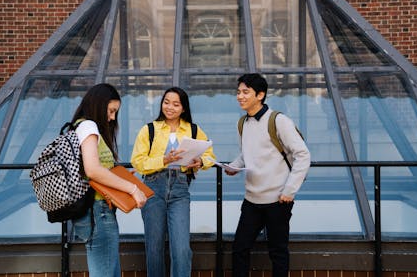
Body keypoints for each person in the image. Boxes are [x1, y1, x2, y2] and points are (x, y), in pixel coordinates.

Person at [225, 73, 310, 277]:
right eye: (238, 92)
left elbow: (303, 155)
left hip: (278, 200)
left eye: (246, 92)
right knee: (240, 249)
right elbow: (247, 154)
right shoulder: (242, 123)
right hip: (251, 200)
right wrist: (233, 166)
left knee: (278, 253)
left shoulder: (278, 121)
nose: (240, 96)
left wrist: (289, 191)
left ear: (260, 95)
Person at [131, 86, 216, 277]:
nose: (169, 107)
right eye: (166, 102)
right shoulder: (149, 129)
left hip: (180, 189)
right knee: (154, 249)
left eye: (176, 104)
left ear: (183, 108)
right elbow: (138, 162)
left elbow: (210, 156)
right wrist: (164, 160)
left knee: (182, 249)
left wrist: (200, 161)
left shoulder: (192, 129)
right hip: (153, 188)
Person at [71, 83, 147, 277]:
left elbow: (94, 170)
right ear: (98, 104)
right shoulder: (88, 126)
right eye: (111, 111)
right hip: (98, 212)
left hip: (97, 211)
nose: (112, 117)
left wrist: (120, 178)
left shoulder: (81, 126)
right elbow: (93, 170)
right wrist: (132, 188)